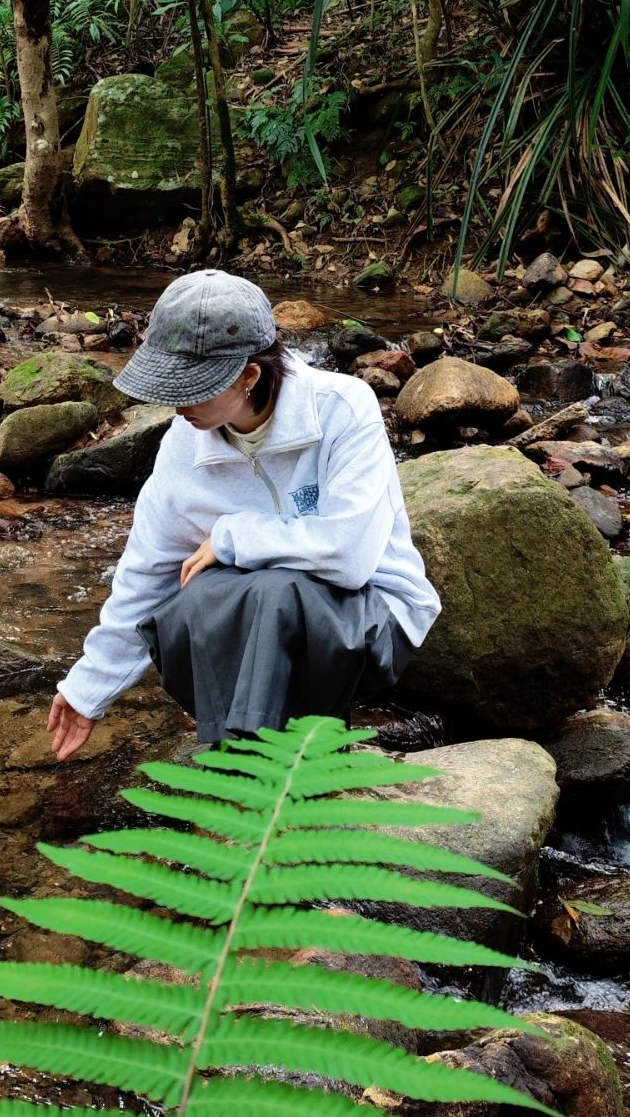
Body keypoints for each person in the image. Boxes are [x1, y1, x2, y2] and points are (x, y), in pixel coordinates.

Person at [47, 269, 441, 760]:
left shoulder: (342, 408)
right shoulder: (181, 444)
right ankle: (251, 750)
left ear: (249, 376)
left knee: (273, 591)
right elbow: (146, 575)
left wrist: (232, 536)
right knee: (190, 602)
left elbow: (349, 555)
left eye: (192, 387)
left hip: (371, 619)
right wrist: (88, 691)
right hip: (266, 629)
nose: (175, 403)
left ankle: (261, 772)